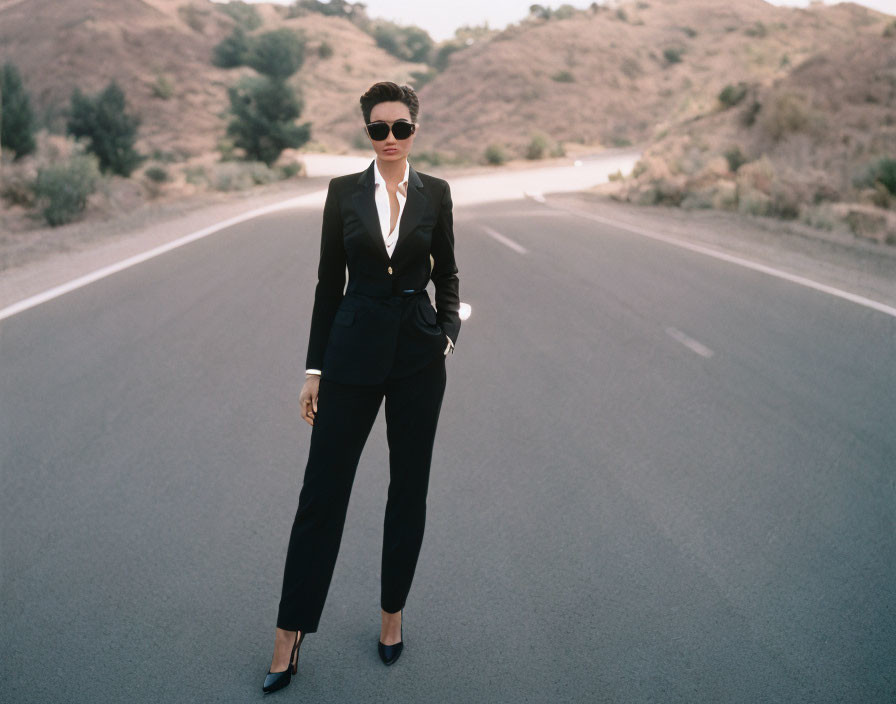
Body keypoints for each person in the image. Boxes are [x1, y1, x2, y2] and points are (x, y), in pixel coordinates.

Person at [263, 81, 461, 694]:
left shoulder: (438, 194)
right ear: (366, 133)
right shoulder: (342, 194)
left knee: (408, 491)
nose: (391, 139)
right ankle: (288, 635)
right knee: (320, 495)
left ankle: (391, 616)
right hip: (349, 358)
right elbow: (329, 285)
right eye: (379, 129)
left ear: (415, 130)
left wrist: (447, 333)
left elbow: (448, 272)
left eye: (400, 127)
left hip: (418, 362)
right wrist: (313, 369)